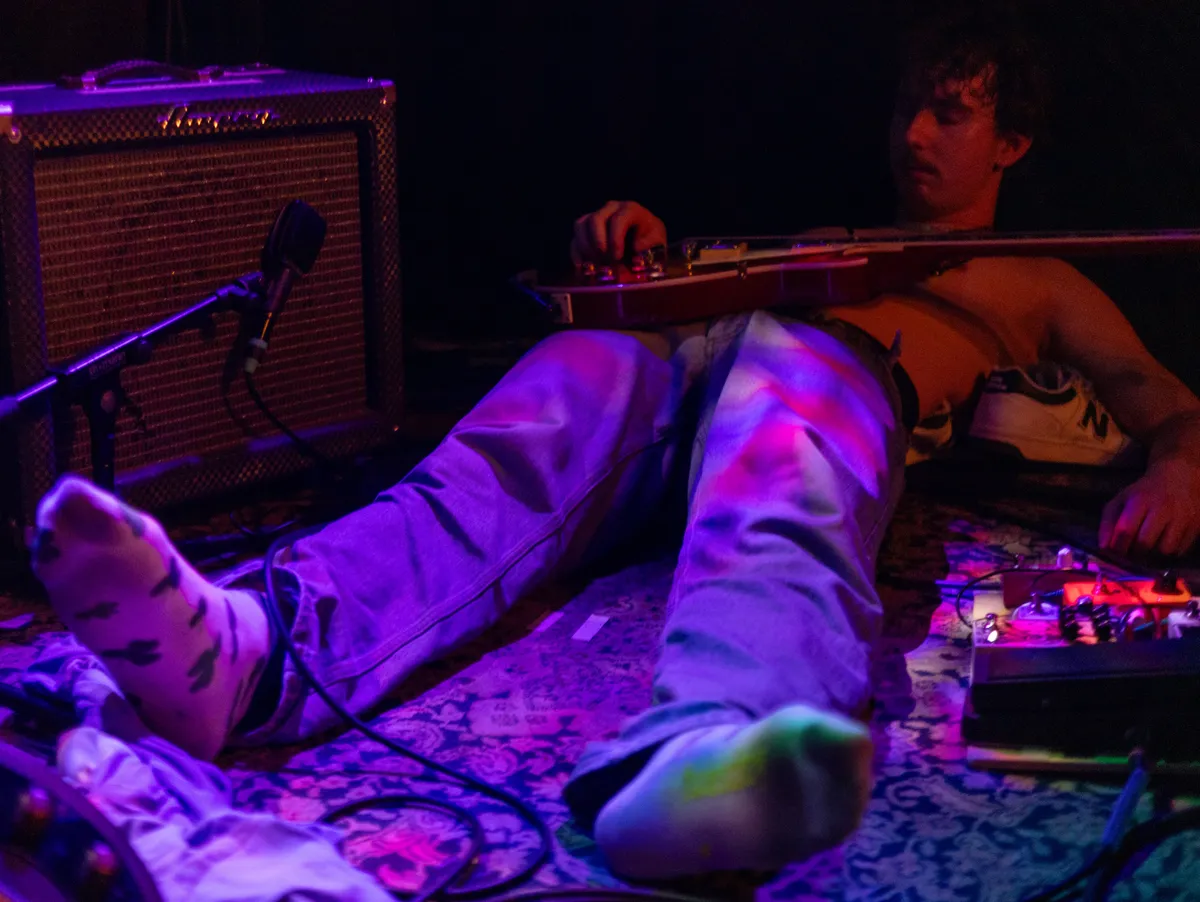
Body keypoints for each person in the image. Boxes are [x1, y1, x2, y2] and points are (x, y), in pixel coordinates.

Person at [28, 7, 1200, 882]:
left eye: (952, 110)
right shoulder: (831, 228)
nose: (915, 132)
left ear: (1013, 142)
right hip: (688, 357)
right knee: (548, 398)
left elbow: (1171, 402)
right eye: (909, 105)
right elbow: (684, 283)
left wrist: (1181, 462)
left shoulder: (1044, 279)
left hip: (813, 382)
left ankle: (710, 747)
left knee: (792, 415)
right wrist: (636, 247)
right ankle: (256, 646)